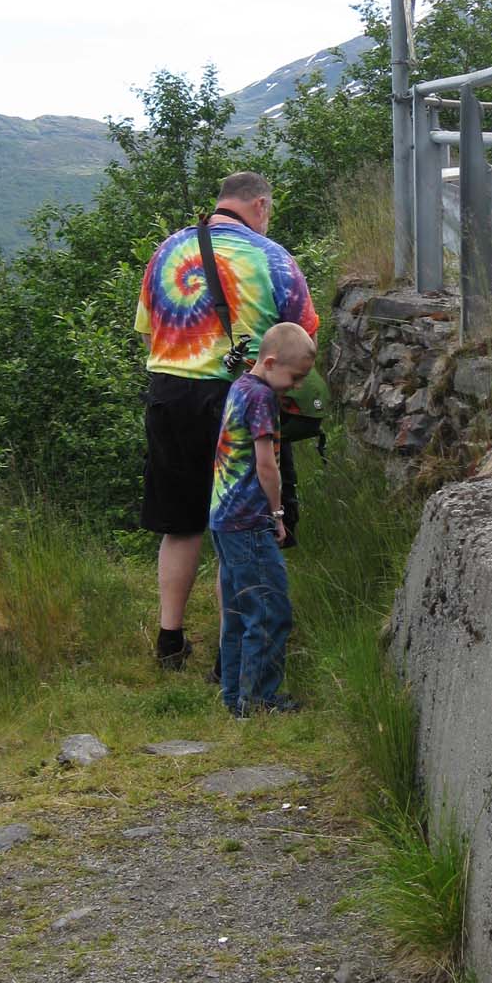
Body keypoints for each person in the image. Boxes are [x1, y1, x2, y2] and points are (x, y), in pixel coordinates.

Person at [135, 172, 318, 670]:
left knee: (180, 524)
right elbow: (302, 340)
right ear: (260, 205)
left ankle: (170, 642)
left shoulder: (167, 251)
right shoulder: (273, 258)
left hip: (169, 394)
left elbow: (148, 330)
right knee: (237, 526)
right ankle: (228, 652)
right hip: (239, 399)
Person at [209, 323, 317, 715]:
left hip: (223, 517)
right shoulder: (263, 398)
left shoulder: (240, 386)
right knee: (270, 611)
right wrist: (277, 514)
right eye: (295, 377)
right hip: (250, 519)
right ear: (270, 363)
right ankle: (258, 700)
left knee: (238, 613)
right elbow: (266, 464)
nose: (296, 386)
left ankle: (234, 697)